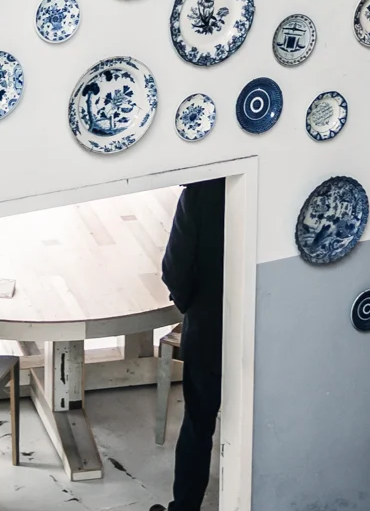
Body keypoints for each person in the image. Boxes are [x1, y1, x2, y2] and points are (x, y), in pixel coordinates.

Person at [150, 177, 225, 511]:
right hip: (267, 328)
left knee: (198, 424)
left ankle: (185, 507)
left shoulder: (201, 191)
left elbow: (175, 270)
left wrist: (192, 306)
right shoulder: (276, 178)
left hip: (210, 330)